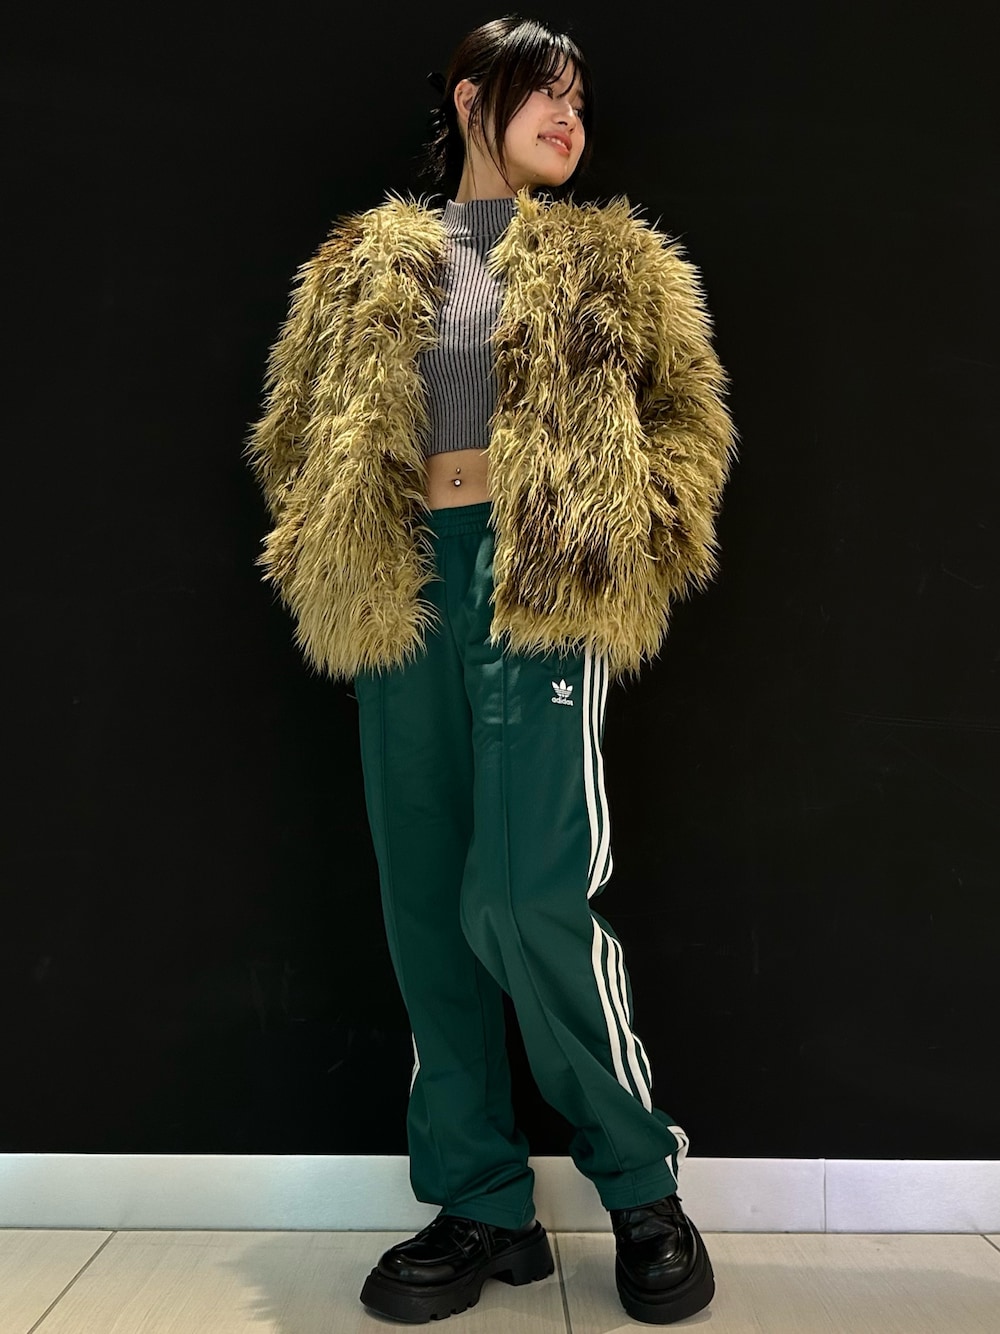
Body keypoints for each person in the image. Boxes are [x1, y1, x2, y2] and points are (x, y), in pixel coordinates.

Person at [244, 14, 738, 1325]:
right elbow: (292, 432)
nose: (570, 117)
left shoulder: (613, 258)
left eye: (581, 100)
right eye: (543, 93)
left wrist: (629, 530)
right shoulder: (362, 263)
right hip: (404, 592)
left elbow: (690, 421)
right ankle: (481, 1204)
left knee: (522, 895)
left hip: (538, 584)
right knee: (425, 904)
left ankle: (641, 1183)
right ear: (474, 99)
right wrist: (333, 543)